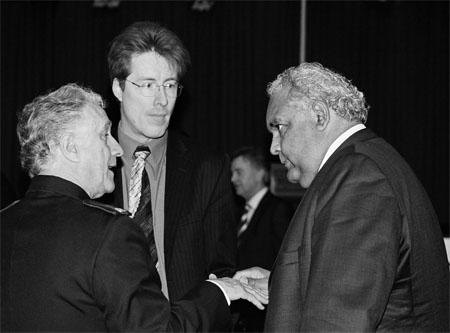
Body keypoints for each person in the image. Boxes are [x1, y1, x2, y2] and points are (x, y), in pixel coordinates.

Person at [0, 83, 268, 332]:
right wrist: (219, 290)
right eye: (104, 135)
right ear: (71, 148)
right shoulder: (107, 233)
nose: (116, 148)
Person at [235, 62, 449, 332]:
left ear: (320, 116)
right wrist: (280, 285)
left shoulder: (360, 178)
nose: (274, 147)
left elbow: (337, 321)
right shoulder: (366, 162)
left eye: (279, 127)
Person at [102, 20, 237, 301]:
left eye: (170, 85)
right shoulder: (90, 164)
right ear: (118, 88)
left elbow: (221, 275)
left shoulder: (208, 168)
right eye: (148, 85)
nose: (162, 100)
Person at [230, 146, 294, 332]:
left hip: (264, 316)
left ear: (260, 173)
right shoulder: (236, 213)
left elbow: (285, 262)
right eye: (232, 173)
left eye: (238, 172)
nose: (233, 179)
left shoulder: (279, 210)